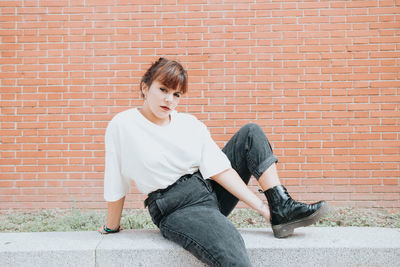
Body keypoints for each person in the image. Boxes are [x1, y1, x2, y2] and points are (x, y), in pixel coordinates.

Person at [98, 57, 329, 266]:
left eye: (177, 94)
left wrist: (265, 210)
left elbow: (220, 170)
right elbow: (116, 179)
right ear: (145, 87)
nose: (169, 99)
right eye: (163, 89)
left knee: (251, 133)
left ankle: (281, 207)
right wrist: (112, 225)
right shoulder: (123, 124)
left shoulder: (189, 124)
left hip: (209, 189)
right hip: (178, 207)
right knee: (232, 250)